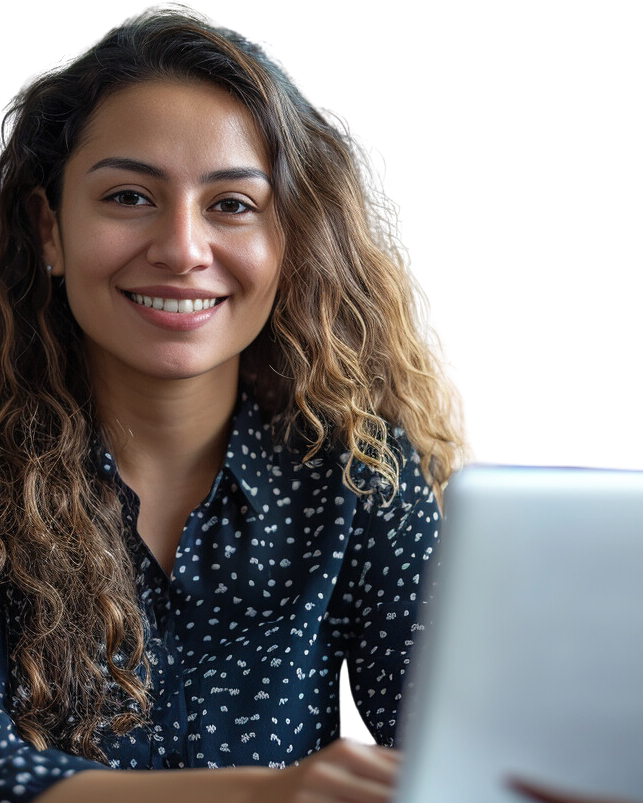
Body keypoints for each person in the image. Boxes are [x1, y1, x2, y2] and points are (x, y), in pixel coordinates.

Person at [0, 4, 474, 801]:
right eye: (127, 197)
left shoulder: (366, 479)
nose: (183, 249)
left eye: (231, 205)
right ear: (50, 229)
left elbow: (447, 757)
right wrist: (268, 792)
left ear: (287, 239)